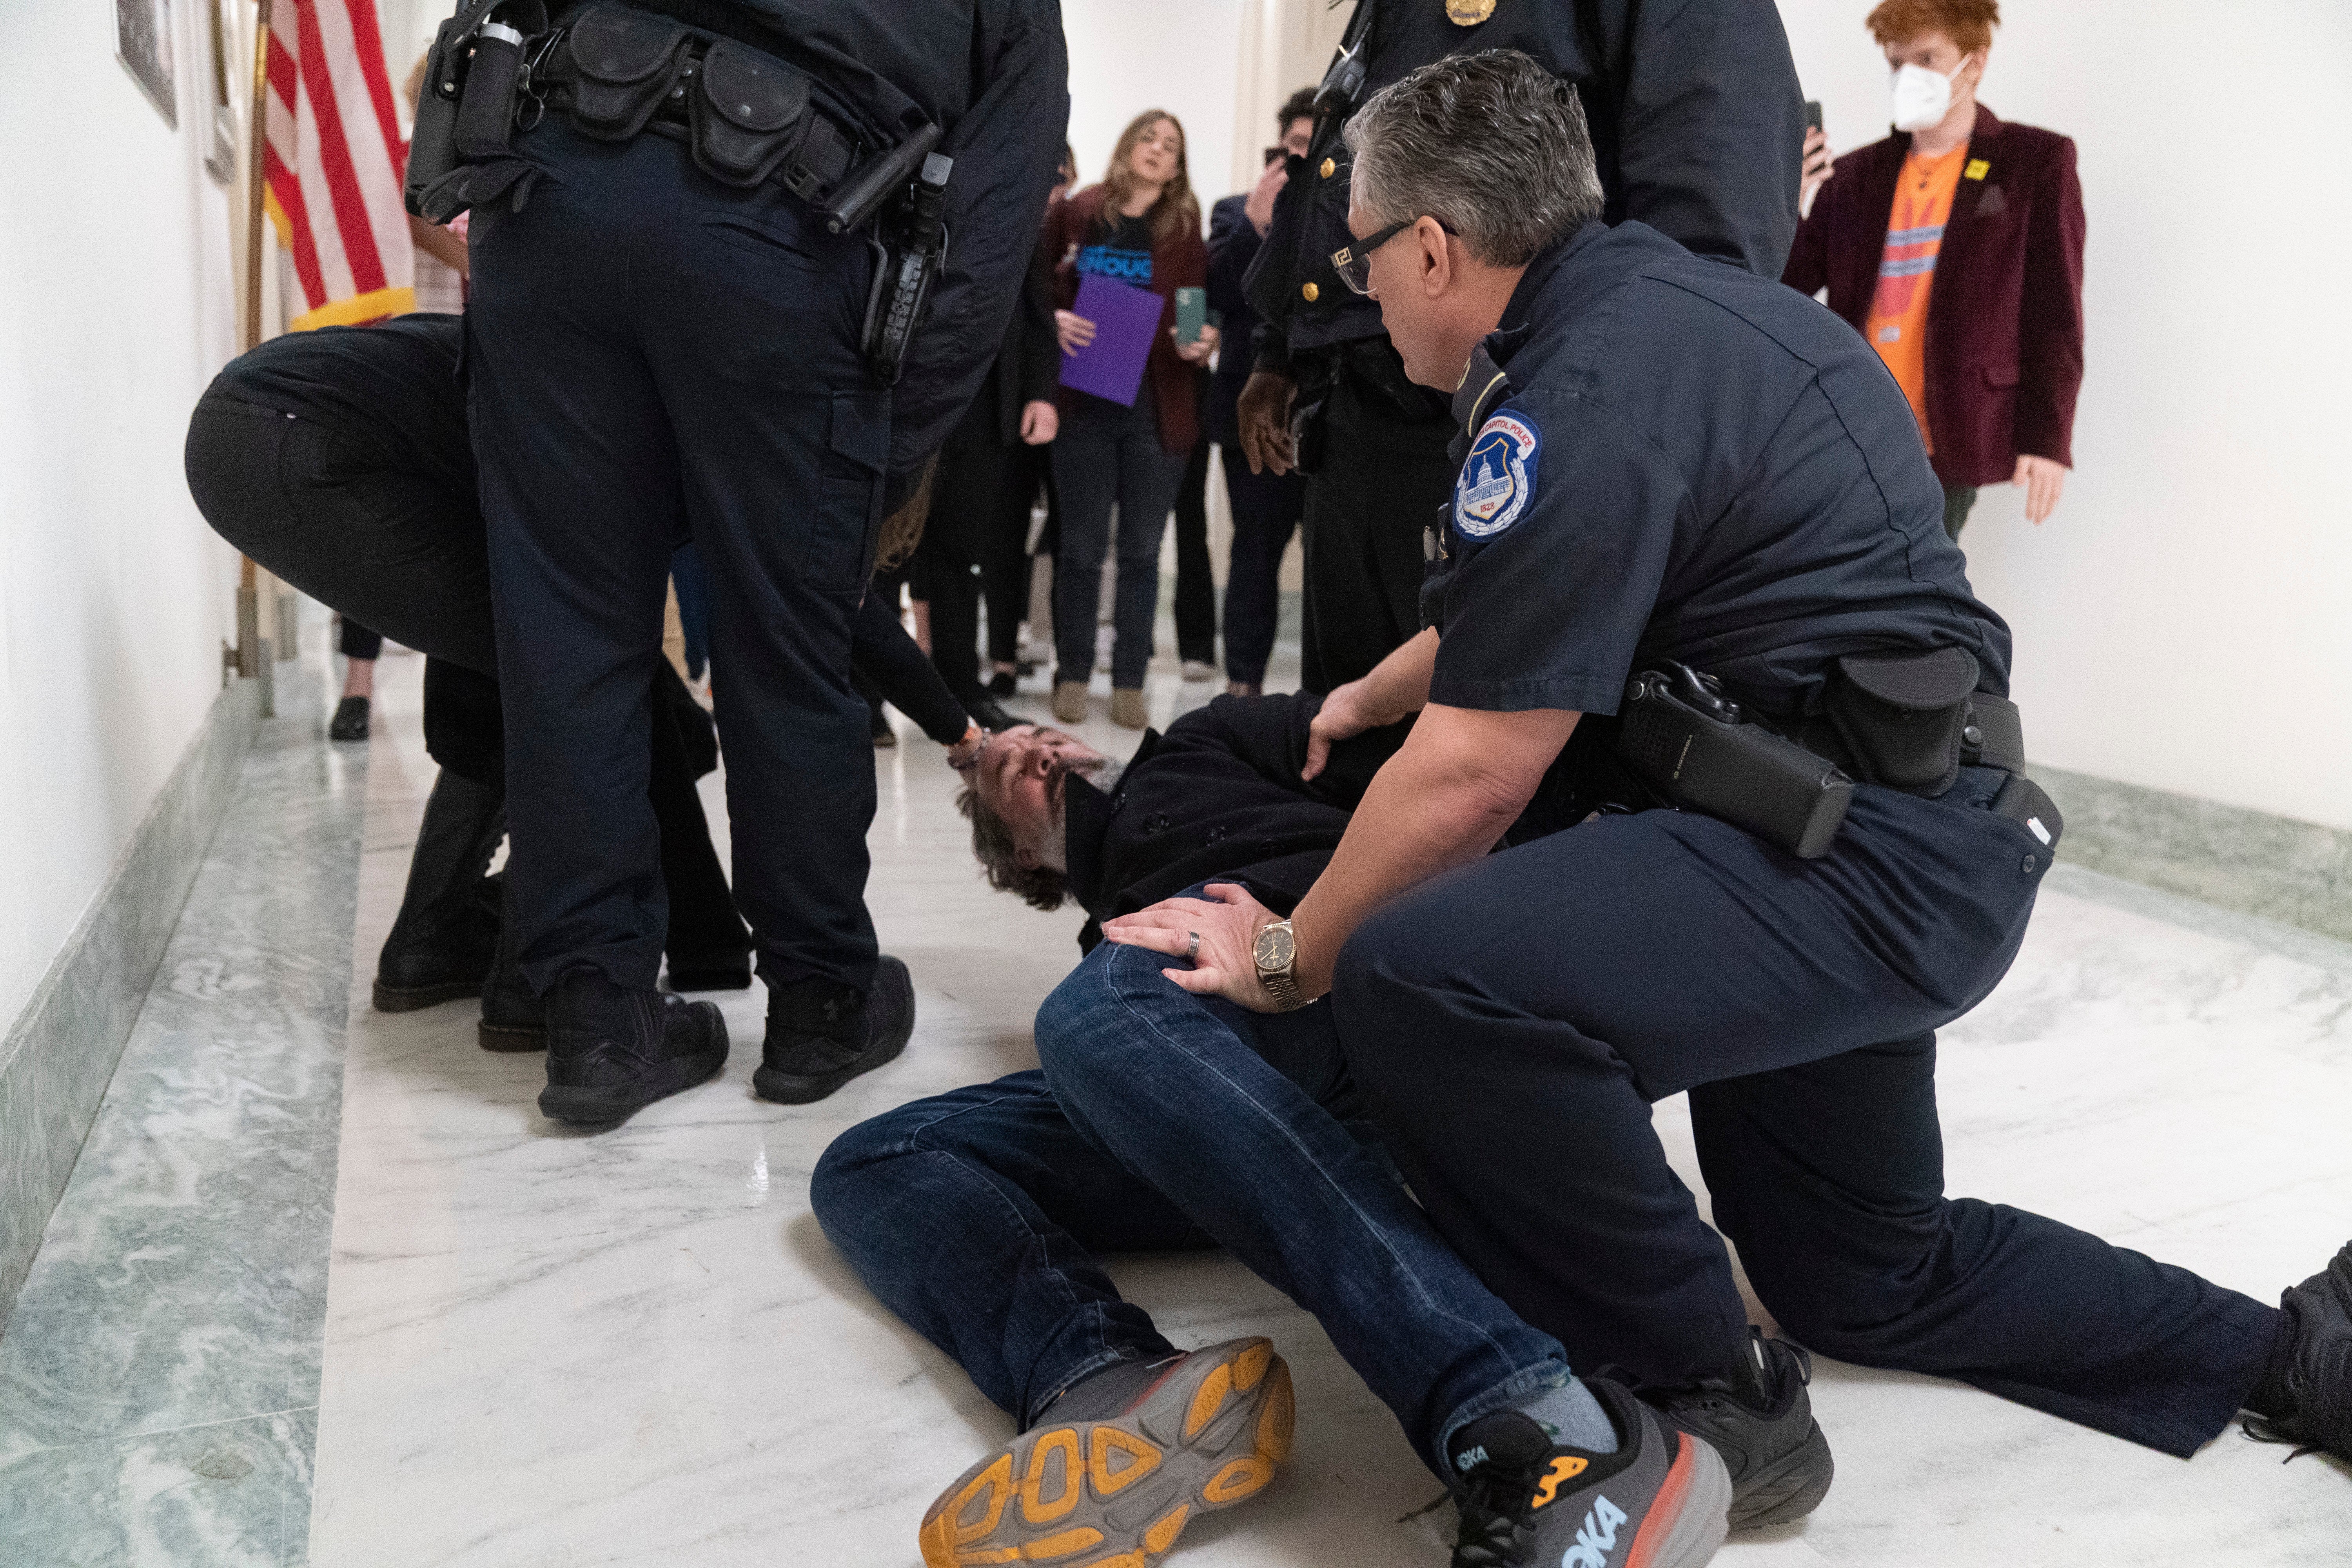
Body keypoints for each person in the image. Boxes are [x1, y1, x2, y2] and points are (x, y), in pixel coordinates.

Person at [1102, 51, 2350, 1555]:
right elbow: (1562, 583)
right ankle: (2303, 1357)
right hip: (1896, 827)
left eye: (1362, 254)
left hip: (1841, 858)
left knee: (1428, 973)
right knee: (1862, 1271)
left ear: (1429, 244)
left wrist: (1292, 952)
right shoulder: (1688, 318)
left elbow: (1476, 771)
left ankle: (1717, 1391)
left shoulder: (1578, 382)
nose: (1363, 290)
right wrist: (1365, 694)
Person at [816, 693, 1738, 1568]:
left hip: (1353, 962)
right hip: (1231, 1055)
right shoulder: (1112, 946)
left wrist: (1303, 935)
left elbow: (1436, 759)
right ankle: (1097, 1374)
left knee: (1094, 1018)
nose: (1027, 744)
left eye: (1037, 735)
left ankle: (1537, 1427)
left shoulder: (1201, 742)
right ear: (1024, 861)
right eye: (1002, 767)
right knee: (872, 1158)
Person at [434, 0, 1067, 1122]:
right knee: (788, 641)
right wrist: (888, 438)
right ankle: (822, 1003)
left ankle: (595, 1022)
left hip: (554, 193)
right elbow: (1000, 196)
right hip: (790, 233)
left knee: (565, 635)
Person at [184, 314, 987, 1063]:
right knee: (573, 677)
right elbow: (820, 601)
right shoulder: (732, 437)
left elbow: (828, 604)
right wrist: (963, 731)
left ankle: (434, 945)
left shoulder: (682, 389)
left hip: (260, 431)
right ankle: (532, 984)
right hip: (305, 441)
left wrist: (961, 731)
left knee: (532, 665)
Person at [1234, 1, 1806, 694]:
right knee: (1342, 727)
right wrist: (1280, 351)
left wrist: (1603, 439)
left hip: (1516, 426)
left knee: (1475, 740)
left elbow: (1711, 242)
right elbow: (1349, 155)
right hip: (1354, 422)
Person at [1785, 0, 2083, 542]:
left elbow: (2054, 312)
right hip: (1855, 430)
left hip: (1952, 431)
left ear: (1975, 63)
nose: (1910, 77)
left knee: (1914, 593)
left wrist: (2048, 440)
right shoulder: (1853, 177)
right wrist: (1787, 196)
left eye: (1928, 57)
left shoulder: (2033, 163)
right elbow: (1783, 290)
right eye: (1899, 64)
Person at [1040, 111, 1216, 729]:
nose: (1157, 150)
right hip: (1085, 404)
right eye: (1150, 138)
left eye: (1171, 146)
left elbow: (1193, 299)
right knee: (1081, 550)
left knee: (1143, 552)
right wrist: (1053, 322)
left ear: (1176, 168)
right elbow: (1042, 289)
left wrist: (1199, 340)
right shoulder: (1080, 210)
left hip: (1156, 407)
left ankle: (1130, 683)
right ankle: (1073, 674)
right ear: (1128, 146)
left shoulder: (1182, 226)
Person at [908, 252, 1060, 732]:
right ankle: (866, 697)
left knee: (963, 551)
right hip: (901, 384)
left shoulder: (1012, 190)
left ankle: (963, 690)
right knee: (884, 553)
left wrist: (1040, 392)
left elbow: (1036, 307)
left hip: (985, 397)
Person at [1208, 90, 1317, 697]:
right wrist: (1256, 225)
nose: (1300, 158)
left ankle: (1319, 691)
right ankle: (1242, 683)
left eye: (1312, 146)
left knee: (1328, 560)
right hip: (1250, 410)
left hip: (1325, 412)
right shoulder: (1232, 213)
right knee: (1254, 552)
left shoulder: (1348, 215)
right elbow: (1222, 296)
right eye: (1294, 146)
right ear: (1278, 148)